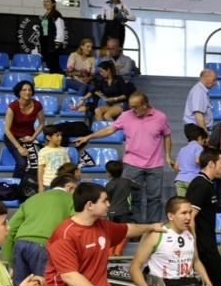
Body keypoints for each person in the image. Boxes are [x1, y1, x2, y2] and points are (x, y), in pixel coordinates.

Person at [77, 92, 175, 224]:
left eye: (135, 107)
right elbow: (109, 130)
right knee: (133, 198)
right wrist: (88, 137)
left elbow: (167, 135)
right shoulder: (126, 116)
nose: (132, 110)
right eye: (130, 106)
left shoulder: (160, 117)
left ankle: (152, 228)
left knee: (154, 198)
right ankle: (136, 228)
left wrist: (168, 155)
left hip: (155, 164)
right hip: (132, 164)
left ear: (145, 105)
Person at [185, 149, 221, 286]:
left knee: (218, 284)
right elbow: (189, 217)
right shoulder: (201, 184)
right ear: (211, 163)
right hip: (203, 247)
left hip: (208, 243)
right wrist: (194, 245)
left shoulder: (208, 184)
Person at [2, 80, 45, 182]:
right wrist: (19, 147)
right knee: (22, 163)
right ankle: (15, 185)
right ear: (19, 92)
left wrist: (33, 137)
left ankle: (31, 185)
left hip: (29, 138)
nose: (27, 92)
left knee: (39, 161)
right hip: (13, 138)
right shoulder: (12, 107)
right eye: (24, 90)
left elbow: (42, 123)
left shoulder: (37, 105)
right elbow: (7, 130)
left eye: (30, 90)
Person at [182, 69, 217, 137]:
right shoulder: (199, 91)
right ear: (206, 77)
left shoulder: (201, 90)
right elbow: (198, 115)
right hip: (197, 129)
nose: (215, 83)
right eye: (214, 80)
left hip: (197, 128)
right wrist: (205, 135)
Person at [175, 126, 208, 197]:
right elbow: (197, 160)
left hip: (179, 180)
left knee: (182, 204)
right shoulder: (198, 147)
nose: (203, 143)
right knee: (193, 204)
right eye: (203, 141)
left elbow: (176, 167)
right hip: (192, 179)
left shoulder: (182, 149)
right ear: (200, 138)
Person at [36, 125, 70, 192]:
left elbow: (67, 166)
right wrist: (40, 186)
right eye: (57, 135)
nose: (60, 138)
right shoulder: (43, 151)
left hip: (62, 184)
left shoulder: (64, 150)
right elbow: (40, 170)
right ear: (48, 137)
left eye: (61, 135)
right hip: (48, 184)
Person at [38, 0, 66, 74]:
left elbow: (60, 30)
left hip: (53, 45)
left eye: (47, 1)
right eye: (44, 1)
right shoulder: (45, 15)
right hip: (45, 44)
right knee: (49, 66)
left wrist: (56, 44)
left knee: (55, 66)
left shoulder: (56, 15)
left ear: (53, 3)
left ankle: (60, 80)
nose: (45, 3)